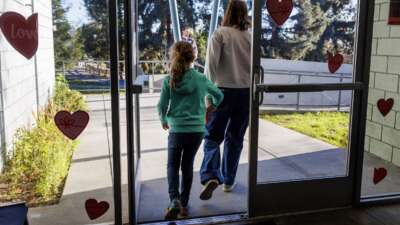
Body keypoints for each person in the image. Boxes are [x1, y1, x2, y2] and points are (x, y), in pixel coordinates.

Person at [157, 41, 224, 220]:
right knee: (187, 165)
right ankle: (184, 204)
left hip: (177, 130)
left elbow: (162, 104)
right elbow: (219, 94)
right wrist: (213, 106)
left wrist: (163, 119)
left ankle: (174, 201)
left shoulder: (169, 79)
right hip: (196, 131)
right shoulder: (201, 78)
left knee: (172, 165)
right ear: (193, 57)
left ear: (174, 57)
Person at [199, 0, 251, 200]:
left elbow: (210, 68)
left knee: (213, 137)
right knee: (235, 138)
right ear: (245, 13)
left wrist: (207, 99)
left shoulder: (220, 34)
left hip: (222, 92)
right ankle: (228, 181)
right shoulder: (250, 37)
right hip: (245, 93)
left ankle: (212, 175)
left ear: (227, 12)